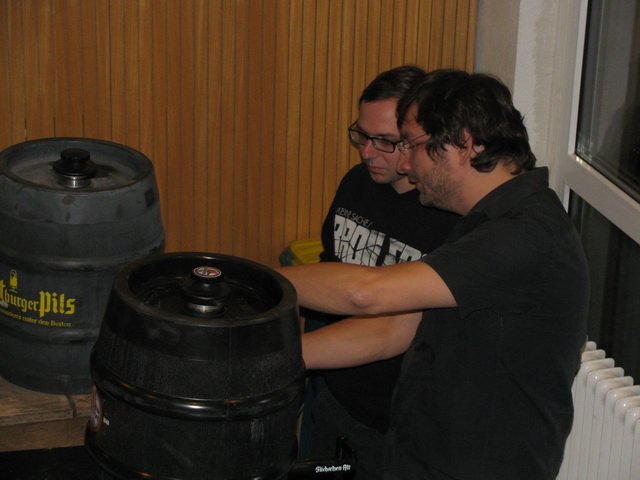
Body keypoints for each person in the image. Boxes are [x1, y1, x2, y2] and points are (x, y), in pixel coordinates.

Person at [279, 69, 590, 480]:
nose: (406, 163)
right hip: (420, 456)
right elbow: (396, 328)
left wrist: (251, 279)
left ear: (462, 144)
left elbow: (365, 293)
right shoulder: (480, 220)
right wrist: (268, 362)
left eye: (413, 145)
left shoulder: (525, 236)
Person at [300, 65, 459, 478]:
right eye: (362, 136)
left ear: (419, 139)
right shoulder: (357, 183)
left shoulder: (449, 219)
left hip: (396, 425)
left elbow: (392, 327)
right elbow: (330, 271)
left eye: (385, 141)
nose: (367, 153)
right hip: (334, 396)